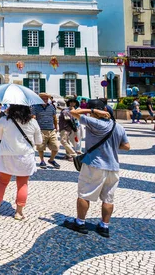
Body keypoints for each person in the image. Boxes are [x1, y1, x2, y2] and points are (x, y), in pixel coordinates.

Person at [63, 99, 130, 238]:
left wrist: (92, 111)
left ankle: (80, 222)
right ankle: (104, 226)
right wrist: (110, 146)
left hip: (94, 165)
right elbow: (127, 146)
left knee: (84, 194)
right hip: (113, 168)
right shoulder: (118, 127)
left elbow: (72, 112)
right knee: (108, 199)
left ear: (95, 111)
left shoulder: (94, 122)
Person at [0, 104, 42, 220]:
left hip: (7, 155)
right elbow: (38, 141)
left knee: (2, 182)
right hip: (25, 156)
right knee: (22, 184)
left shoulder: (4, 120)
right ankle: (18, 212)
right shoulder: (33, 122)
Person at [31, 93, 60, 169]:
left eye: (46, 98)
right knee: (40, 147)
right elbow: (33, 118)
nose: (45, 100)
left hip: (51, 129)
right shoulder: (35, 107)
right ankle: (42, 161)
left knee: (56, 147)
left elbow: (54, 118)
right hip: (40, 130)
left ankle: (51, 160)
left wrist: (56, 127)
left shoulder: (51, 107)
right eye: (43, 98)